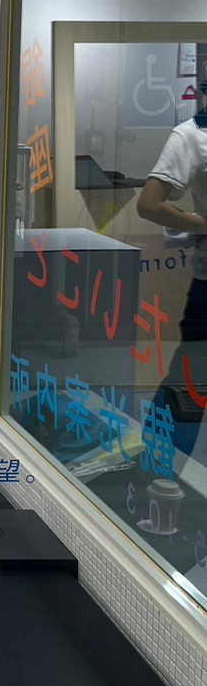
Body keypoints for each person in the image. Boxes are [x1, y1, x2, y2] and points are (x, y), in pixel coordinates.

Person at [137, 98, 207, 455]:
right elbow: (149, 204)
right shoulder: (192, 135)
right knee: (189, 382)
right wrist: (198, 224)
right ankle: (157, 464)